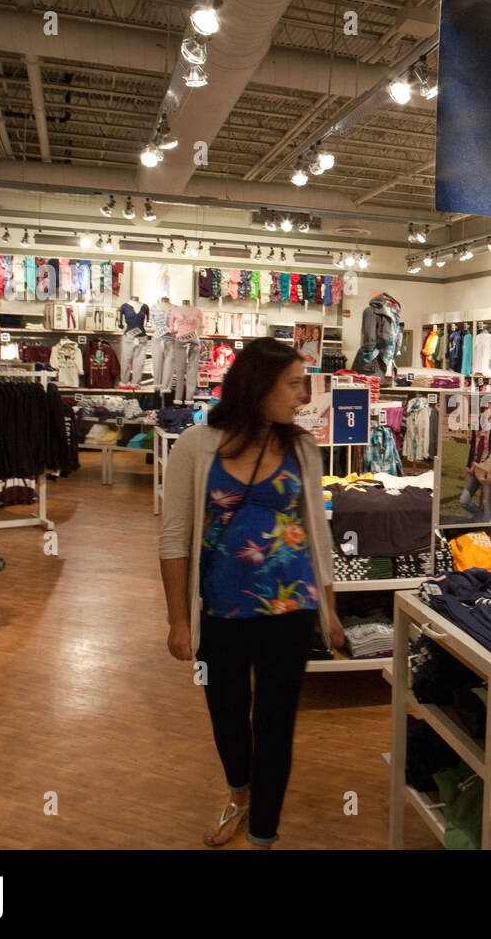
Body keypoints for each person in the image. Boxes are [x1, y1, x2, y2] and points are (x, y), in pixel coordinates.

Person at [159, 337, 343, 848]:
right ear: (258, 385)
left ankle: (264, 833)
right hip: (221, 608)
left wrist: (327, 606)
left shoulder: (302, 447)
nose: (303, 395)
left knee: (277, 723)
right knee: (226, 711)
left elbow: (315, 531)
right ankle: (239, 793)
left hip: (291, 607)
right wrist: (177, 619)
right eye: (292, 383)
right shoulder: (196, 445)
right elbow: (174, 536)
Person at [458, 401, 491, 522]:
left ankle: (486, 526)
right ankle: (481, 516)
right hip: (475, 468)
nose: (487, 410)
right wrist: (469, 469)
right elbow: (473, 446)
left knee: (487, 501)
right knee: (464, 500)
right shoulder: (477, 425)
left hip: (488, 469)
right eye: (485, 408)